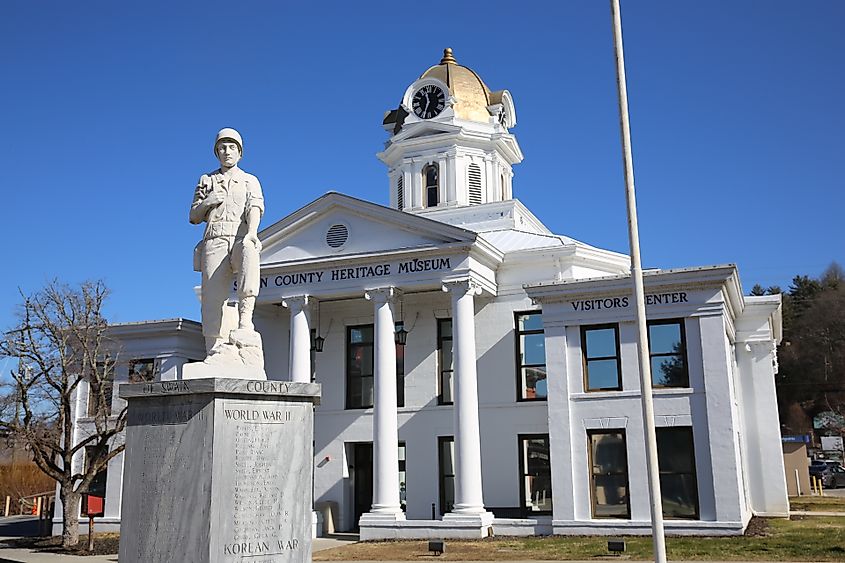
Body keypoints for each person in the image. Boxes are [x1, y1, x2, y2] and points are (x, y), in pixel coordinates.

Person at [190, 128, 264, 356]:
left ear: (240, 153)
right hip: (215, 238)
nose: (226, 151)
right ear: (216, 152)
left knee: (250, 257)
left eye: (232, 147)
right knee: (212, 296)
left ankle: (245, 323)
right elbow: (193, 216)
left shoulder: (249, 180)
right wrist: (208, 202)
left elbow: (255, 206)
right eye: (222, 147)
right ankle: (213, 348)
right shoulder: (207, 180)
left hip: (241, 235)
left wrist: (252, 233)